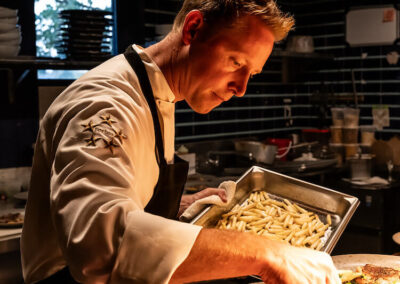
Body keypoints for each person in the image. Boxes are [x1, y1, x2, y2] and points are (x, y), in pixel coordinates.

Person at [21, 0, 341, 283]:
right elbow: (98, 248)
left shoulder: (156, 93)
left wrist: (181, 207)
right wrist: (266, 252)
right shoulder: (107, 105)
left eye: (251, 73)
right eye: (235, 61)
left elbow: (122, 197)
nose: (241, 88)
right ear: (194, 28)